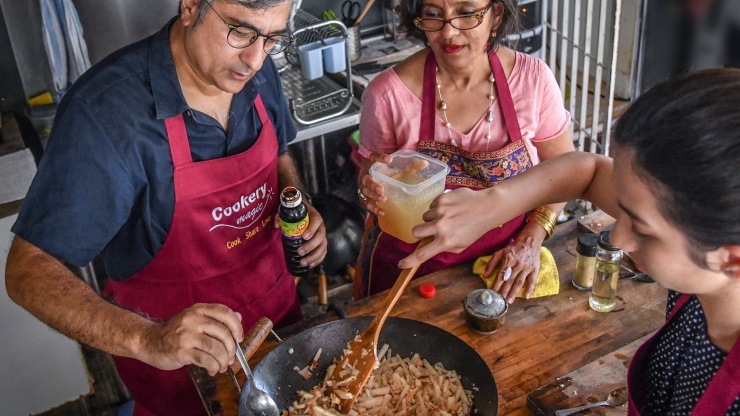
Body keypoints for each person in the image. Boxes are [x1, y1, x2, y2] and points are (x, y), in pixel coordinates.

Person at [4, 1, 327, 415]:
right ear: (191, 7)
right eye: (240, 32)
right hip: (182, 374)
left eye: (273, 38)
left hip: (279, 330)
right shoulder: (105, 116)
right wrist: (149, 340)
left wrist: (297, 204)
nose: (255, 58)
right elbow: (27, 269)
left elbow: (278, 152)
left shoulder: (256, 67)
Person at [399, 69, 740, 414]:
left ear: (732, 260)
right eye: (621, 209)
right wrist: (492, 204)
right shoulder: (708, 275)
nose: (618, 236)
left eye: (642, 228)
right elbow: (588, 172)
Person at [353, 0, 574, 302]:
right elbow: (370, 178)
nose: (449, 32)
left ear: (495, 15)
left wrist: (531, 239)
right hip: (412, 269)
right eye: (433, 15)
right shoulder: (386, 95)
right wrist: (371, 188)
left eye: (466, 12)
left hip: (499, 264)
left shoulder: (533, 80)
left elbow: (565, 170)